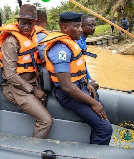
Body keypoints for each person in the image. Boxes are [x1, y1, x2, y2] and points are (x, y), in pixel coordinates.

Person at [41, 12, 112, 145]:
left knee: (102, 116)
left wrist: (87, 81)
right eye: (77, 26)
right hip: (69, 95)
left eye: (81, 26)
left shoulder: (72, 43)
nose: (81, 29)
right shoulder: (60, 49)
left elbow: (77, 70)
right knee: (104, 128)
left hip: (81, 87)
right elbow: (67, 86)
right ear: (65, 28)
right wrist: (94, 103)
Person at [0, 4, 53, 138]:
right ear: (18, 22)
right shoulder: (11, 41)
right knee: (46, 121)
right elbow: (10, 75)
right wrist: (34, 91)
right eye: (23, 23)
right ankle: (34, 151)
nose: (27, 27)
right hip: (15, 88)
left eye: (30, 23)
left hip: (31, 83)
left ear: (35, 23)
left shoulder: (32, 37)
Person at [76, 16, 99, 91]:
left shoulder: (82, 40)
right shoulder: (78, 42)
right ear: (82, 27)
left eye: (94, 25)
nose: (93, 28)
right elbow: (79, 64)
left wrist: (89, 78)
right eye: (90, 25)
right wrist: (88, 80)